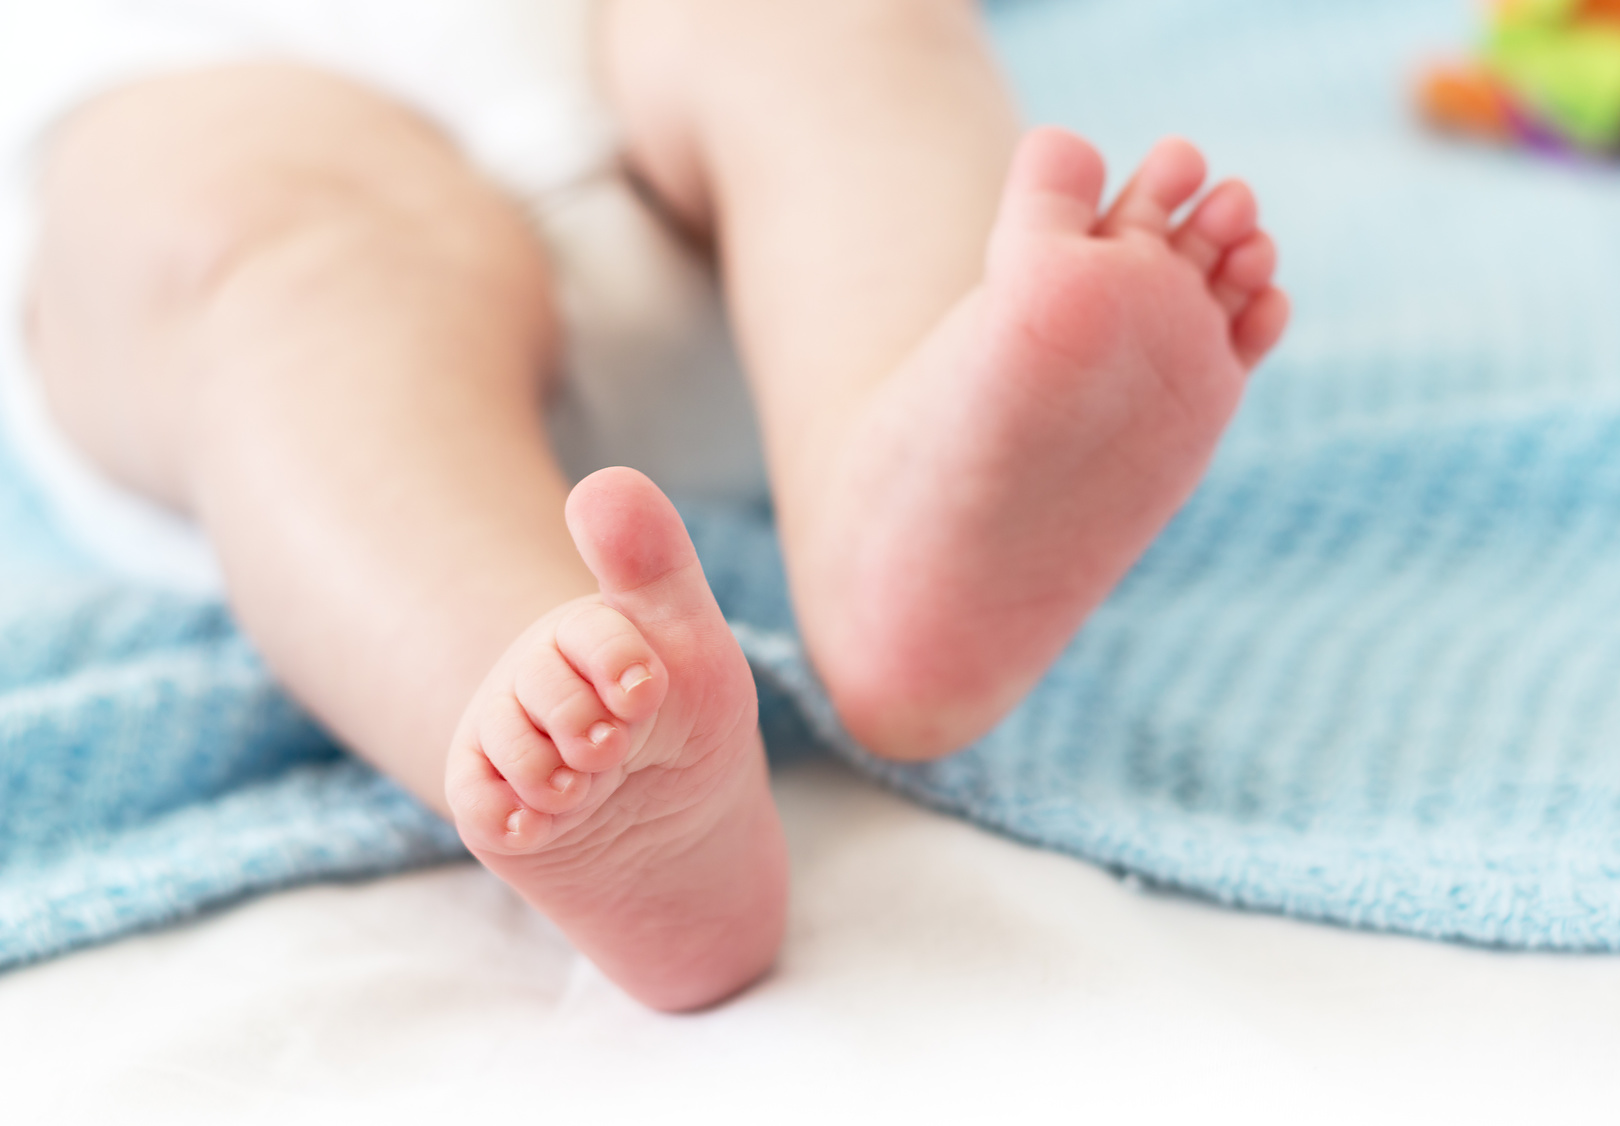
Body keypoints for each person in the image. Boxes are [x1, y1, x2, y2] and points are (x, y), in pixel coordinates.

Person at [16, 0, 1287, 1010]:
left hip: (715, 211)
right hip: (198, 74)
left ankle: (900, 497)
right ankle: (574, 720)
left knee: (834, 34)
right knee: (286, 270)